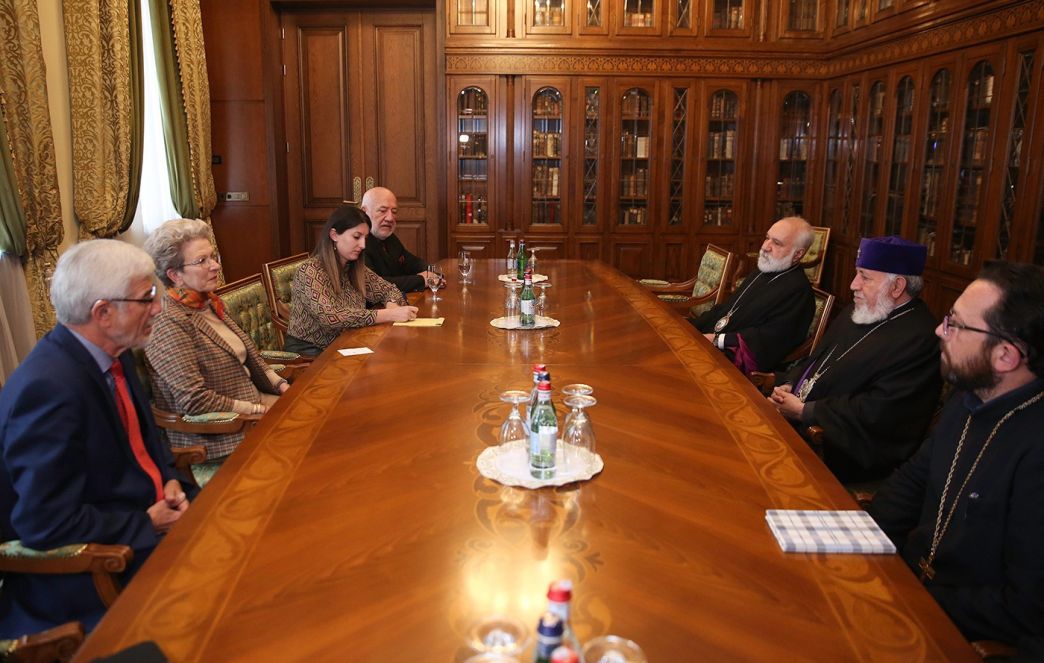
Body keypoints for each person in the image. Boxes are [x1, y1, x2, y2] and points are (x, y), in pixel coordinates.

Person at [0, 240, 198, 636]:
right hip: (95, 572)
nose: (158, 308)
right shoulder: (48, 389)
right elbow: (45, 522)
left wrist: (169, 479)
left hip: (150, 525)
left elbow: (147, 446)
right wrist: (146, 522)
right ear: (103, 313)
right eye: (147, 298)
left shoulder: (115, 352)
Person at [868, 261, 1044, 647]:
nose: (939, 330)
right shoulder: (968, 399)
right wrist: (857, 548)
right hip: (906, 586)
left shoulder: (1036, 450)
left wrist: (911, 600)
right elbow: (910, 483)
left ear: (1005, 356)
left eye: (955, 324)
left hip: (954, 631)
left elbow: (1024, 607)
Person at [770, 236, 941, 483]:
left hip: (838, 450)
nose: (853, 285)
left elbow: (879, 413)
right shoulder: (860, 311)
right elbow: (817, 359)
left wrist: (805, 411)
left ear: (897, 286)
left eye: (865, 277)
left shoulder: (921, 340)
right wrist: (790, 383)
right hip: (800, 423)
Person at [144, 219, 289, 463]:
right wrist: (256, 410)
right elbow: (194, 400)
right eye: (202, 261)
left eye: (212, 257)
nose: (215, 266)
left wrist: (283, 387)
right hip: (219, 433)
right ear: (175, 275)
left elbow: (252, 357)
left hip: (255, 405)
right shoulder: (168, 321)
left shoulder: (208, 302)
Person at [285, 205, 419, 355]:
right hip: (311, 352)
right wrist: (388, 315)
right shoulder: (310, 270)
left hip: (349, 341)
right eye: (356, 237)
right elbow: (330, 317)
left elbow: (390, 290)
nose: (363, 245)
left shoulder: (354, 267)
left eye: (365, 239)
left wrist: (392, 306)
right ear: (334, 235)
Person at [691, 216, 815, 372]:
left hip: (735, 362)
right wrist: (691, 327)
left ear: (798, 254)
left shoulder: (799, 292)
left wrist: (718, 339)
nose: (765, 247)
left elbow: (769, 340)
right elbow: (728, 309)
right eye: (767, 238)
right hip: (713, 344)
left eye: (777, 243)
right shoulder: (763, 272)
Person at [360, 186, 441, 293]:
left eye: (394, 212)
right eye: (382, 211)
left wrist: (433, 273)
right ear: (364, 212)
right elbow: (375, 285)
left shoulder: (390, 238)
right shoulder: (358, 243)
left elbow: (413, 263)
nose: (390, 218)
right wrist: (421, 280)